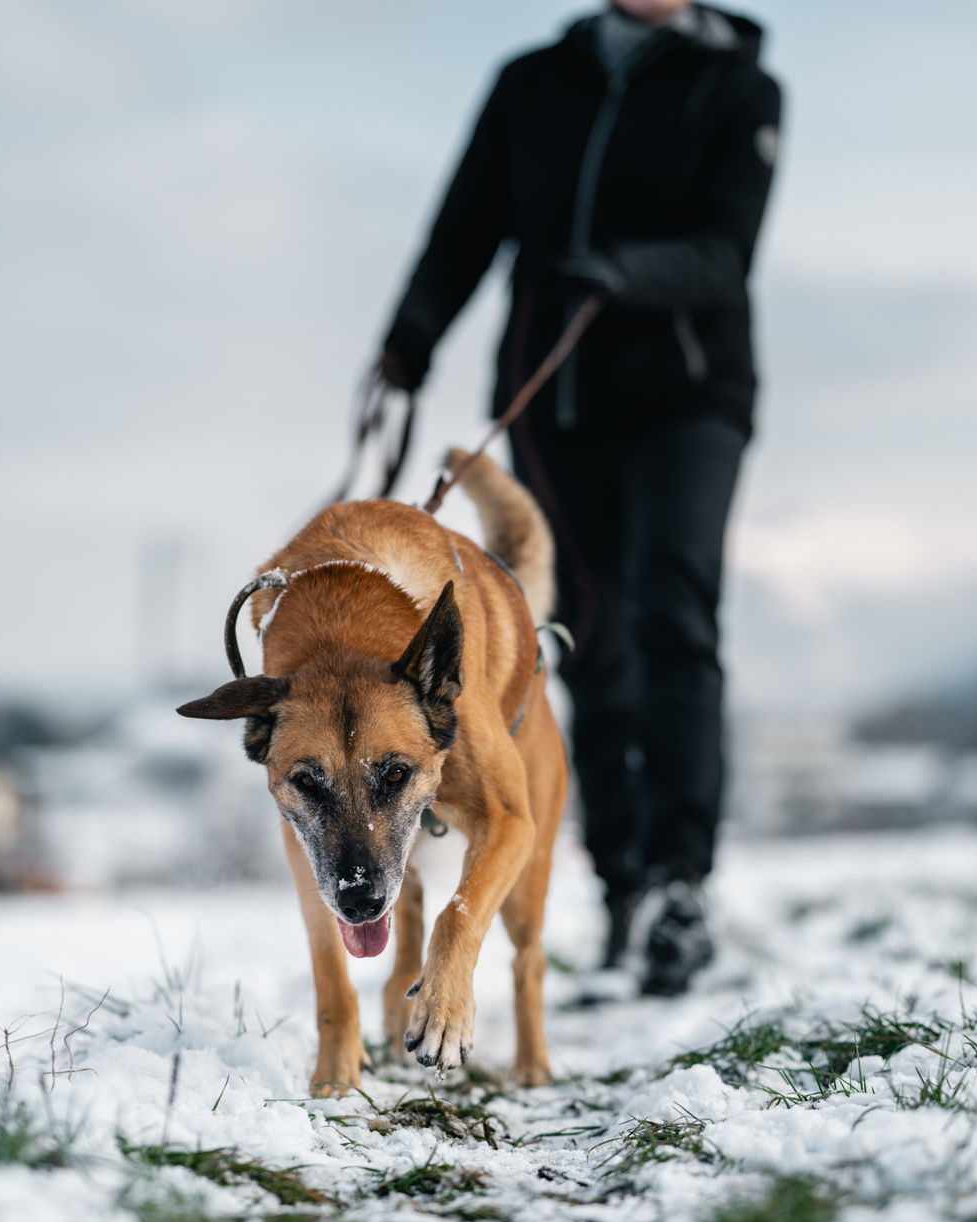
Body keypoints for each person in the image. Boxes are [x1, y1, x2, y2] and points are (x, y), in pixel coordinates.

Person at [376, 1, 782, 996]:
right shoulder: (532, 84)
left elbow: (724, 252)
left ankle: (681, 883)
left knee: (673, 615)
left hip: (690, 397)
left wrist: (622, 271)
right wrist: (411, 338)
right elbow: (466, 225)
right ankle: (623, 883)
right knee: (588, 637)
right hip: (556, 402)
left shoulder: (739, 88)